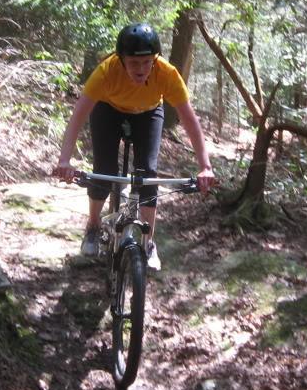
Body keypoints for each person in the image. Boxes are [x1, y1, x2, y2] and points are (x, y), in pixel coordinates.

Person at [53, 22, 216, 270]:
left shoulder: (168, 74)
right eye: (134, 63)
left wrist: (205, 166)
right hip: (108, 110)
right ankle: (93, 226)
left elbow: (190, 120)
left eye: (147, 62)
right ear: (121, 60)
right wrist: (64, 160)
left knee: (147, 173)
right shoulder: (106, 72)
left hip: (148, 113)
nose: (141, 69)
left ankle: (148, 241)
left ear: (155, 60)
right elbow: (78, 115)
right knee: (104, 171)